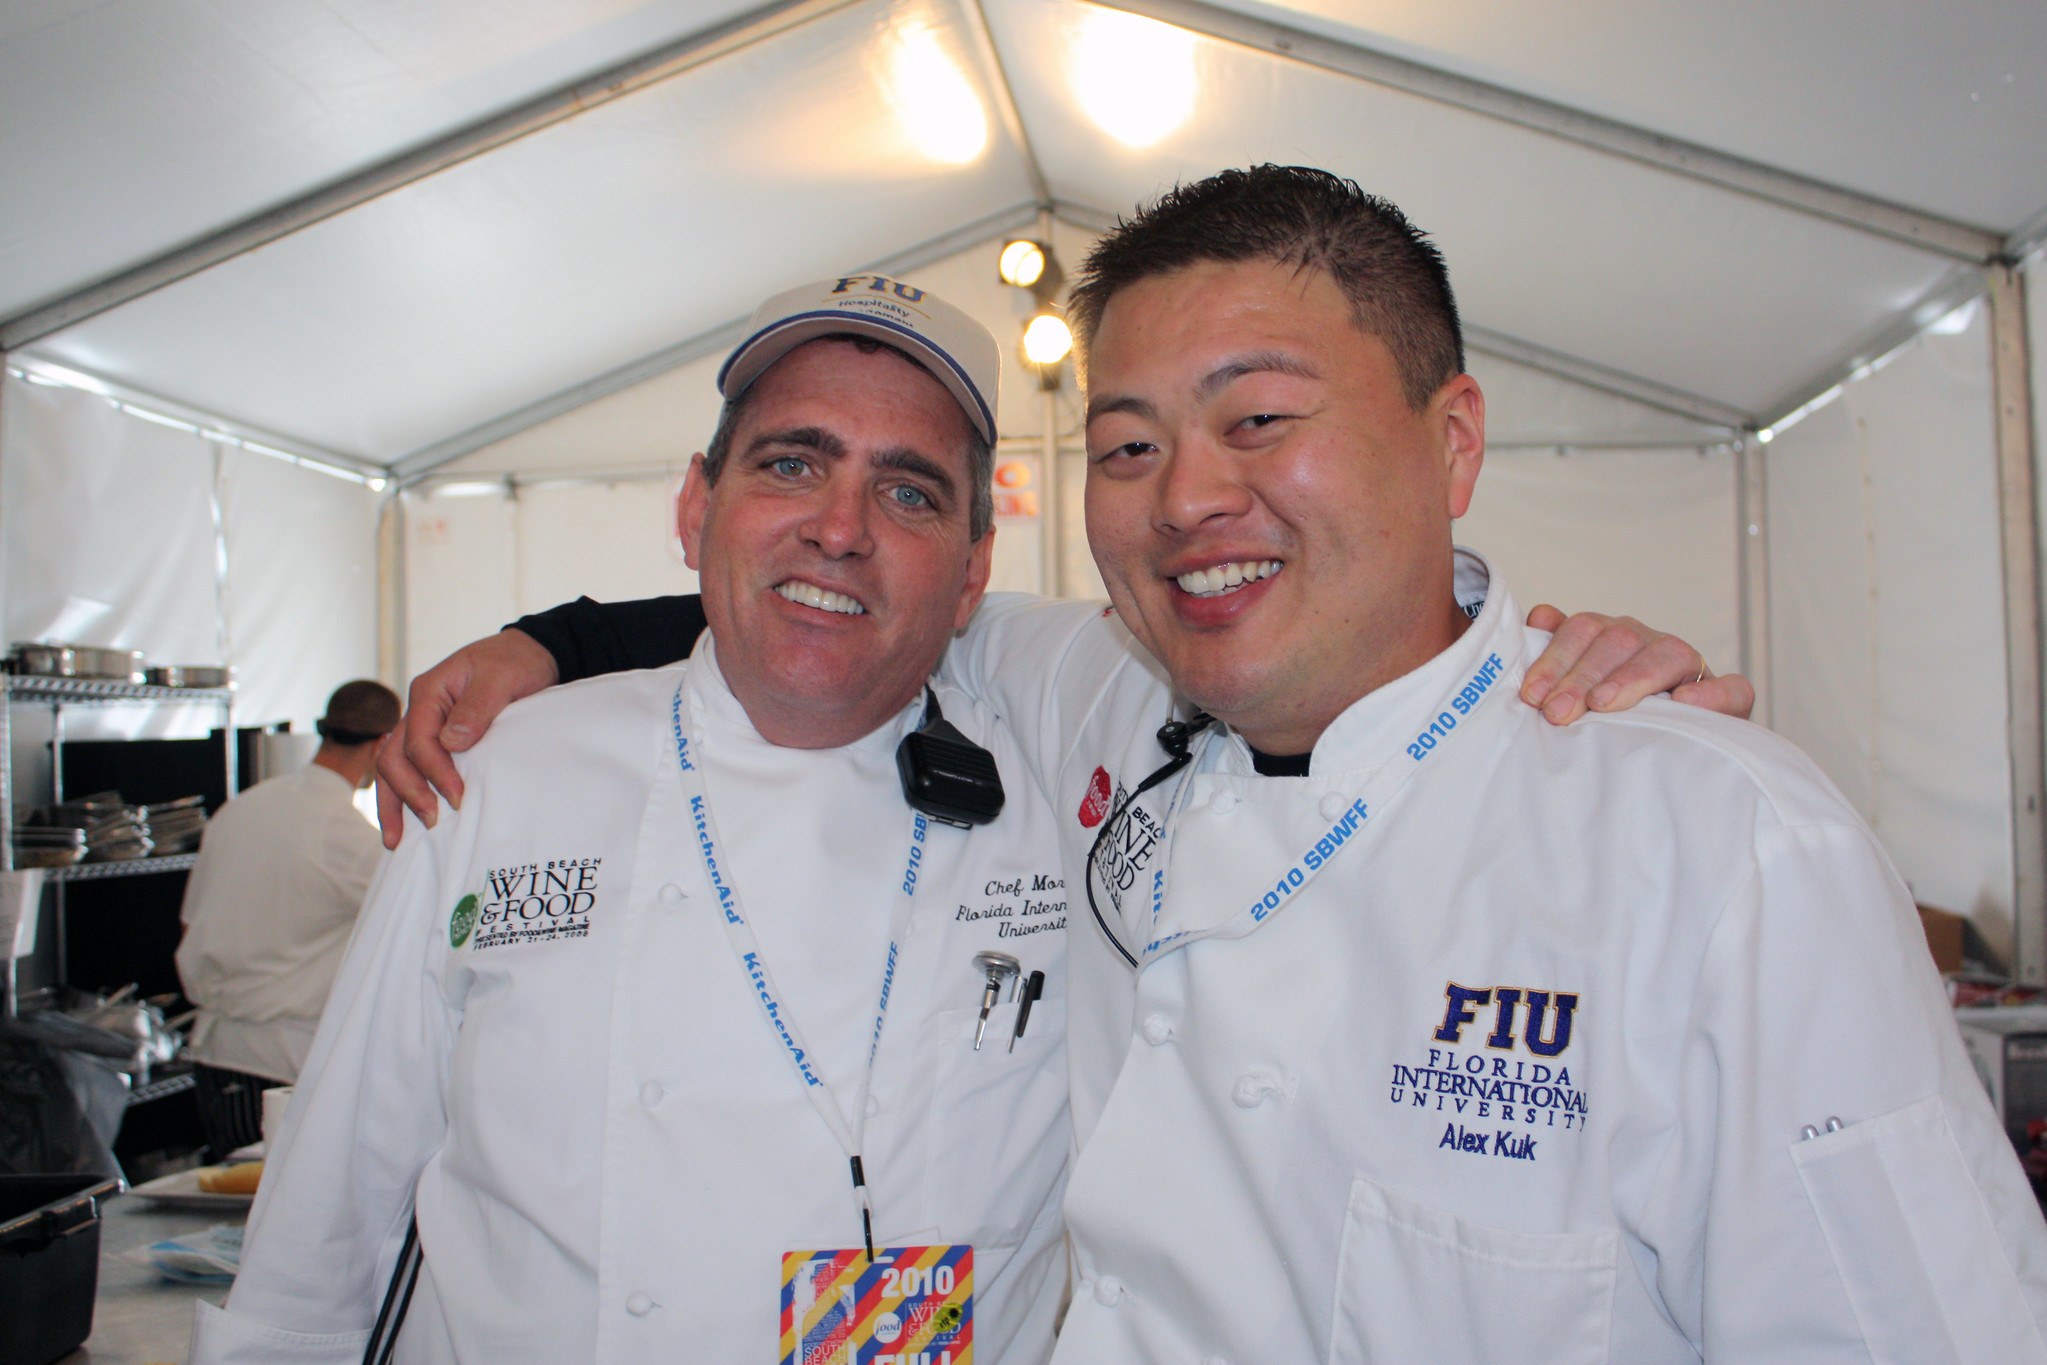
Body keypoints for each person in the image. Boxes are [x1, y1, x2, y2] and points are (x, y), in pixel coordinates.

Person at [387, 167, 2047, 1362]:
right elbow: (849, 593)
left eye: (1258, 420)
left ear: (1450, 442)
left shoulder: (1709, 844)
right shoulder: (1104, 697)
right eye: (1127, 445)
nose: (1184, 498)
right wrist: (554, 639)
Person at [192, 280, 1076, 1364]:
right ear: (695, 509)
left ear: (973, 571)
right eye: (790, 465)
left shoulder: (1059, 808)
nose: (840, 528)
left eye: (908, 493)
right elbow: (340, 1182)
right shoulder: (501, 774)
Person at [176, 679, 398, 1157]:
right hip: (284, 1062)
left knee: (240, 1196)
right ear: (384, 742)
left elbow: (190, 924)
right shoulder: (345, 834)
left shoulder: (241, 808)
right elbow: (410, 927)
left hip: (215, 1054)